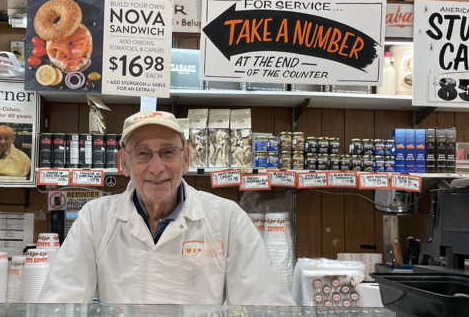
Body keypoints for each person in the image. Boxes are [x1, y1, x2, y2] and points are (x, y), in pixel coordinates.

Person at [39, 110, 294, 305]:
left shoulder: (227, 218)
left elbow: (266, 308)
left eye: (168, 152)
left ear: (185, 160)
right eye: (142, 153)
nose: (157, 167)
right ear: (123, 163)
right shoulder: (95, 218)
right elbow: (59, 305)